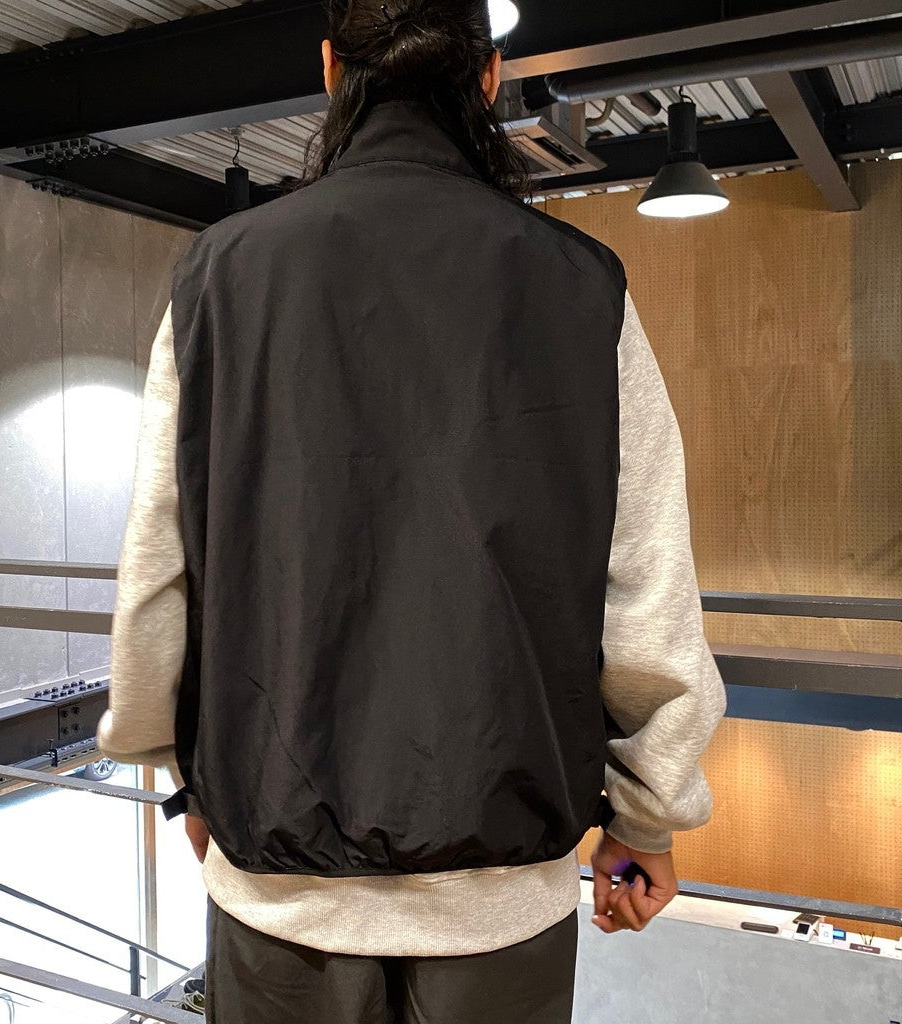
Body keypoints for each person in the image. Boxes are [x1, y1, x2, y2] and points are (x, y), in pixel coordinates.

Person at [95, 1, 728, 1021]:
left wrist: (180, 772)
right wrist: (647, 814)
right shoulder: (581, 286)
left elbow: (159, 564)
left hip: (280, 879)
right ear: (488, 77)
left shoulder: (220, 275)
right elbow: (645, 575)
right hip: (501, 889)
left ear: (329, 68)